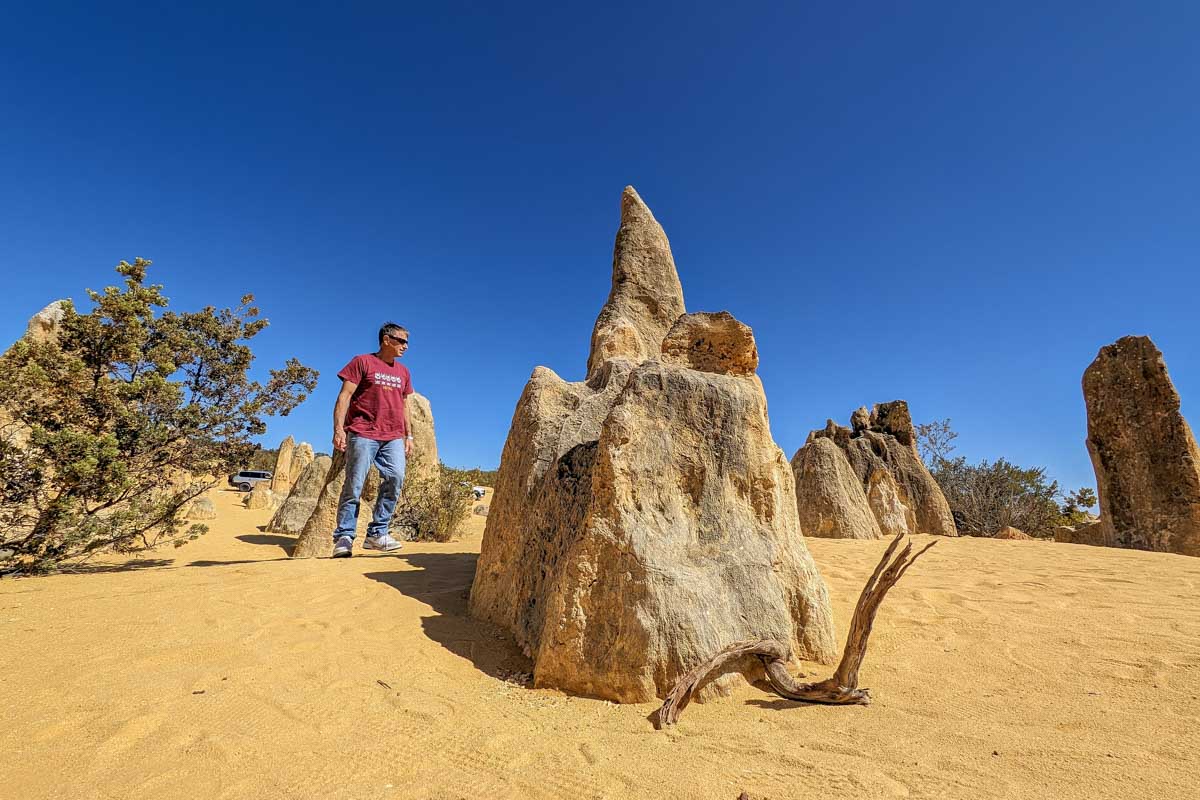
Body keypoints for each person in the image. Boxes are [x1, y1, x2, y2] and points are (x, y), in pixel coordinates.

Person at [329, 322, 415, 558]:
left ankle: (377, 533)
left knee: (395, 478)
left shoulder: (403, 372)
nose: (406, 346)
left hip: (393, 436)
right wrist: (338, 429)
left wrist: (409, 435)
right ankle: (344, 537)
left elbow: (405, 405)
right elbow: (345, 396)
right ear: (386, 340)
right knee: (354, 484)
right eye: (401, 341)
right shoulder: (362, 362)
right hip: (363, 431)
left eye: (407, 342)